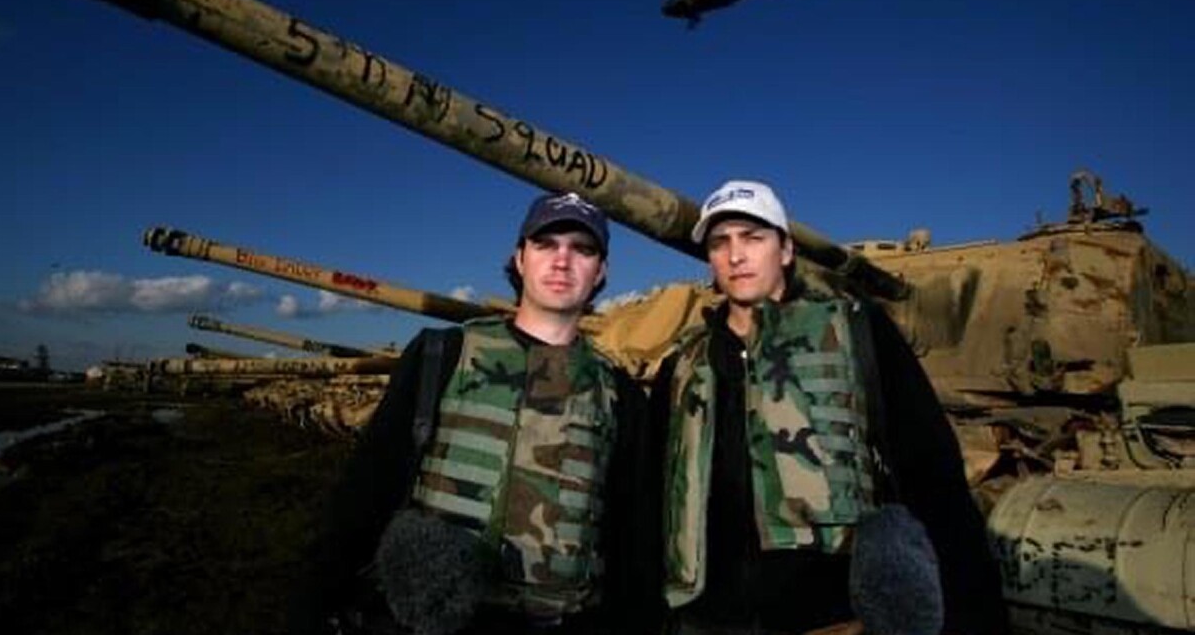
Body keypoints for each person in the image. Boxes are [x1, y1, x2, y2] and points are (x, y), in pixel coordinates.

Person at [652, 180, 1009, 635]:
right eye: (720, 243)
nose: (736, 255)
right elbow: (656, 493)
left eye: (753, 238)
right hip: (710, 615)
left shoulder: (855, 332)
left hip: (831, 612)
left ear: (785, 250)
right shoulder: (684, 362)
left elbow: (932, 473)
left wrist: (972, 612)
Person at [295, 192, 660, 635]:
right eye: (545, 244)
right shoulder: (442, 354)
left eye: (582, 249)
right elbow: (366, 489)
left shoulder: (618, 392)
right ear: (520, 258)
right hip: (433, 620)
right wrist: (318, 601)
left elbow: (632, 534)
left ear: (600, 271)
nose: (562, 260)